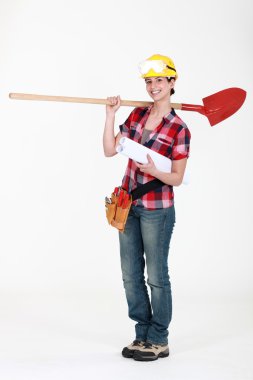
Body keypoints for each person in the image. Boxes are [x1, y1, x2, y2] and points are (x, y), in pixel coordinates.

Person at [103, 54, 191, 362]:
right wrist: (111, 115)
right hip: (127, 204)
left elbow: (177, 178)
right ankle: (141, 334)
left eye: (159, 81)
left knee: (156, 276)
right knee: (130, 275)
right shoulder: (137, 116)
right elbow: (109, 149)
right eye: (148, 81)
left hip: (157, 210)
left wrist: (154, 172)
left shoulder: (179, 129)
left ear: (171, 83)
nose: (153, 87)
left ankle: (159, 339)